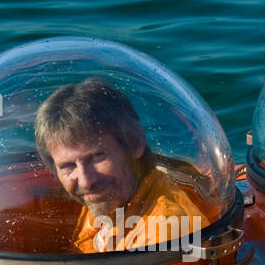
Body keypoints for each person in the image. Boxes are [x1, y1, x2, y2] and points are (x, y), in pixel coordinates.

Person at [34, 76, 208, 253]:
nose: (86, 182)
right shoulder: (111, 199)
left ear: (134, 144)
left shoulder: (167, 230)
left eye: (97, 156)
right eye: (68, 166)